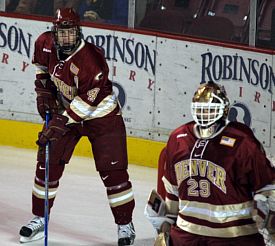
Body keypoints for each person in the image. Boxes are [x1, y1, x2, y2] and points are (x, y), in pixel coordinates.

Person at [19, 8, 135, 246]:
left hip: (102, 116)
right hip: (66, 111)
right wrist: (43, 92)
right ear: (55, 31)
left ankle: (125, 225)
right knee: (47, 163)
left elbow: (86, 103)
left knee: (113, 172)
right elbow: (41, 70)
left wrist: (60, 123)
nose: (66, 38)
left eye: (71, 32)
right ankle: (39, 218)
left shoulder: (92, 59)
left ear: (79, 32)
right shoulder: (44, 43)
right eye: (62, 32)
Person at [145, 81, 275, 245]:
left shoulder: (242, 140)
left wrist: (269, 222)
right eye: (202, 109)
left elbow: (267, 186)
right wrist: (167, 222)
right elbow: (172, 189)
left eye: (210, 109)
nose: (205, 114)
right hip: (187, 233)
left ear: (224, 109)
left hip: (234, 236)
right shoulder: (178, 139)